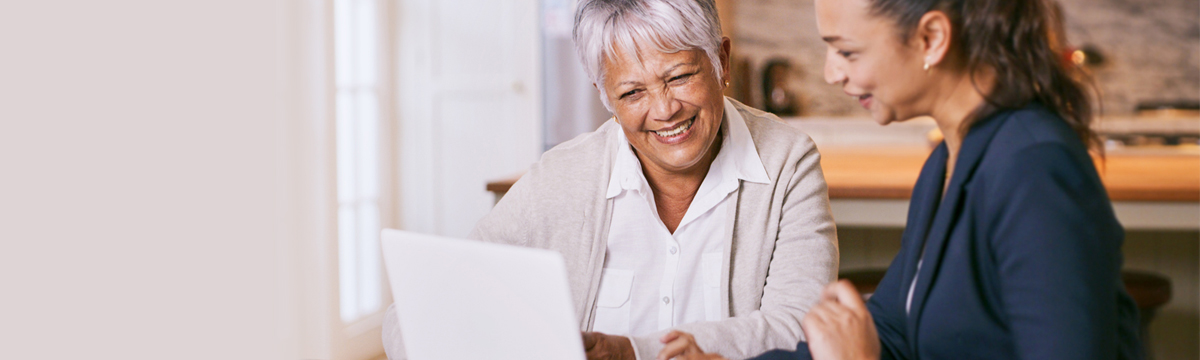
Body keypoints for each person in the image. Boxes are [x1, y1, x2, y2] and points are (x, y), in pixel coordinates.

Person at [660, 0, 1144, 359]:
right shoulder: (949, 162)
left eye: (847, 52)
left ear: (932, 38)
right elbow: (891, 330)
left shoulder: (1033, 169)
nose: (831, 74)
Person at [381, 1, 839, 359]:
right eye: (632, 92)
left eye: (678, 76)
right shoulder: (562, 178)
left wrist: (636, 352)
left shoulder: (786, 162)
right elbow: (414, 317)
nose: (663, 110)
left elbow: (800, 326)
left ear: (720, 60)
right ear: (604, 96)